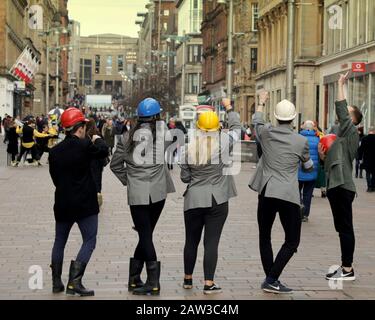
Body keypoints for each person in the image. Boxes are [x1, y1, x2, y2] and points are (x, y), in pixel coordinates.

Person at [249, 92, 314, 294]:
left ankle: (271, 278)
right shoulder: (300, 140)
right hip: (288, 193)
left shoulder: (267, 133)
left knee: (264, 236)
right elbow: (308, 166)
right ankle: (272, 278)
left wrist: (261, 102)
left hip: (267, 191)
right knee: (292, 240)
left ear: (276, 117)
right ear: (294, 118)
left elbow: (256, 122)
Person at [110, 98, 175, 296]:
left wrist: (129, 180)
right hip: (158, 193)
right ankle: (135, 278)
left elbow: (115, 165)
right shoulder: (165, 134)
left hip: (138, 193)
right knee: (146, 235)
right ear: (157, 116)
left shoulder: (126, 138)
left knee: (145, 235)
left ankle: (152, 282)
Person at [179, 99, 241, 295]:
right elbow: (237, 128)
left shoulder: (187, 148)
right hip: (217, 199)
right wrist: (229, 108)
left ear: (198, 127)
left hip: (194, 199)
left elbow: (184, 177)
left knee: (191, 240)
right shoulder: (224, 142)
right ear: (218, 127)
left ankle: (188, 279)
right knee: (211, 242)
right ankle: (208, 283)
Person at [48, 107, 108, 296]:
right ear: (79, 127)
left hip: (63, 202)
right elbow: (103, 151)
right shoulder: (85, 146)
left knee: (59, 241)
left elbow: (55, 178)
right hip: (85, 205)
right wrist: (97, 138)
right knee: (89, 240)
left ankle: (56, 282)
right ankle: (75, 282)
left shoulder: (55, 151)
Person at [319, 72, 363, 282]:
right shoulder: (340, 137)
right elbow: (330, 163)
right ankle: (346, 266)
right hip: (336, 185)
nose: (343, 113)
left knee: (345, 227)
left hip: (342, 186)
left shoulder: (350, 132)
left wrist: (340, 85)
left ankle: (347, 269)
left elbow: (342, 111)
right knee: (341, 228)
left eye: (348, 112)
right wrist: (321, 157)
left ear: (352, 119)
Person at [298, 120, 320, 222]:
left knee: (297, 192)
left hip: (298, 171)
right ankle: (305, 214)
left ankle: (299, 209)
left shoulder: (298, 138)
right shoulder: (318, 140)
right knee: (308, 194)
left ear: (303, 127)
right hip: (312, 171)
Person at [86, 119, 108, 207]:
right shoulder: (97, 135)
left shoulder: (85, 135)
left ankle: (91, 196)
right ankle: (97, 194)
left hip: (89, 162)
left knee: (90, 179)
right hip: (97, 163)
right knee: (97, 179)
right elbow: (104, 148)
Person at [358, 126, 375, 192]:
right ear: (374, 131)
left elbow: (361, 149)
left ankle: (369, 187)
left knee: (367, 173)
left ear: (369, 131)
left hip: (367, 159)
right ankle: (373, 186)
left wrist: (359, 158)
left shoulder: (364, 139)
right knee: (374, 174)